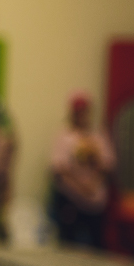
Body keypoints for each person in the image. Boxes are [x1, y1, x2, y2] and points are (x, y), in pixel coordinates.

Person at [49, 91, 114, 247]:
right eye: (78, 112)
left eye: (84, 112)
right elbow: (59, 170)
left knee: (96, 244)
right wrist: (81, 187)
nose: (82, 116)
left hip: (95, 202)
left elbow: (107, 166)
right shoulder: (64, 137)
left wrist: (93, 183)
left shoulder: (98, 136)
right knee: (69, 245)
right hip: (71, 200)